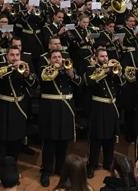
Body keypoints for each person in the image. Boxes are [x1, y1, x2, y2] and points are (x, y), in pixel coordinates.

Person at [0, 46, 37, 191]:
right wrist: (9, 69)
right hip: (4, 109)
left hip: (18, 110)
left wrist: (28, 74)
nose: (15, 57)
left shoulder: (24, 67)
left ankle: (11, 174)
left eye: (17, 55)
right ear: (6, 56)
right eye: (12, 55)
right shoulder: (0, 67)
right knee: (0, 148)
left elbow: (33, 85)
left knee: (15, 145)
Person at [39, 50, 82, 187]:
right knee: (50, 143)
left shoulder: (68, 69)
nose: (57, 59)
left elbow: (79, 84)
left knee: (63, 142)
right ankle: (46, 171)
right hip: (51, 109)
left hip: (65, 108)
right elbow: (45, 78)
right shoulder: (46, 70)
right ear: (50, 59)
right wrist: (56, 69)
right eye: (54, 57)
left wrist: (71, 73)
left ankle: (60, 169)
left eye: (59, 57)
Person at [85, 48, 123, 178]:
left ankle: (108, 162)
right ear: (96, 57)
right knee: (97, 137)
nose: (105, 59)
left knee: (110, 137)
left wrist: (118, 73)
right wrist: (105, 71)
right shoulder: (91, 68)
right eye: (102, 56)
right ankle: (92, 164)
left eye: (106, 56)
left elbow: (121, 85)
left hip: (111, 105)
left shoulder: (113, 69)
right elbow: (90, 83)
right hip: (99, 106)